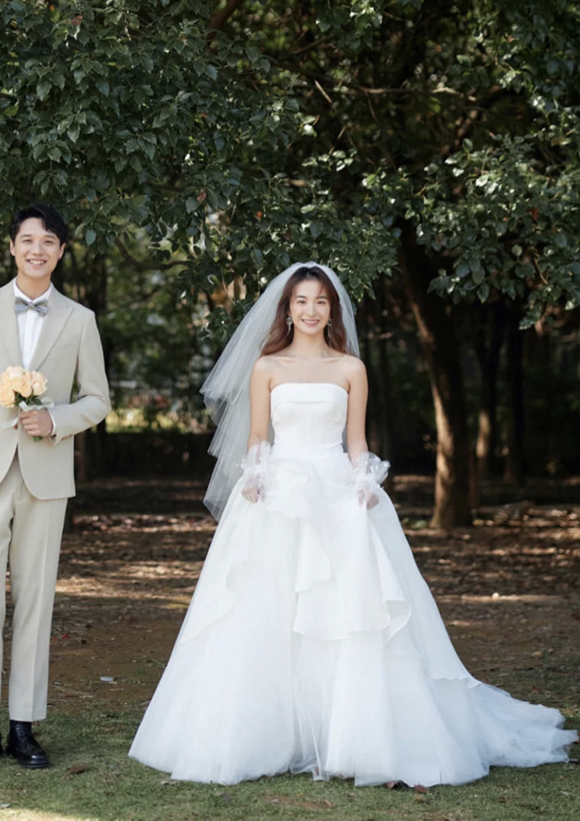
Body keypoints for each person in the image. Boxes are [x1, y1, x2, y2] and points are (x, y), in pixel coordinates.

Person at [129, 263, 576, 786]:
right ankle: (275, 732)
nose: (311, 310)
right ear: (287, 309)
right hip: (279, 495)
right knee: (267, 610)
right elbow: (257, 437)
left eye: (321, 301)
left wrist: (365, 481)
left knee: (346, 613)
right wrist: (254, 476)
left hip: (336, 491)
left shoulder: (351, 368)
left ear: (332, 310)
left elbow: (357, 440)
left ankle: (348, 734)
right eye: (301, 301)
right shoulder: (266, 367)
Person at [0, 202, 110, 769]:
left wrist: (56, 419)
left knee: (37, 598)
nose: (38, 250)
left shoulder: (79, 319)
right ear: (12, 246)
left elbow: (99, 399)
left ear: (61, 252)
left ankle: (24, 725)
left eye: (49, 242)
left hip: (46, 475)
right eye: (29, 240)